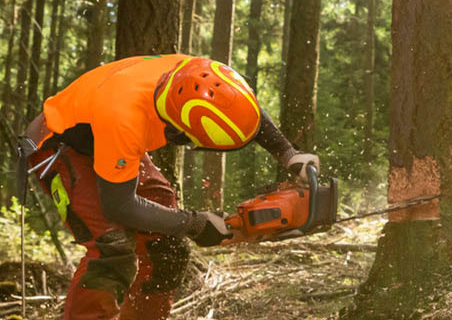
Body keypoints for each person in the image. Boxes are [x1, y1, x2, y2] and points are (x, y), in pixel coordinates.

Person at [19, 54, 319, 320]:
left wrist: (289, 154)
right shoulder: (125, 118)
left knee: (168, 246)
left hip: (107, 137)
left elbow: (237, 103)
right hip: (60, 144)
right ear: (182, 128)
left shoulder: (197, 74)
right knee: (112, 247)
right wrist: (194, 223)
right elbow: (119, 205)